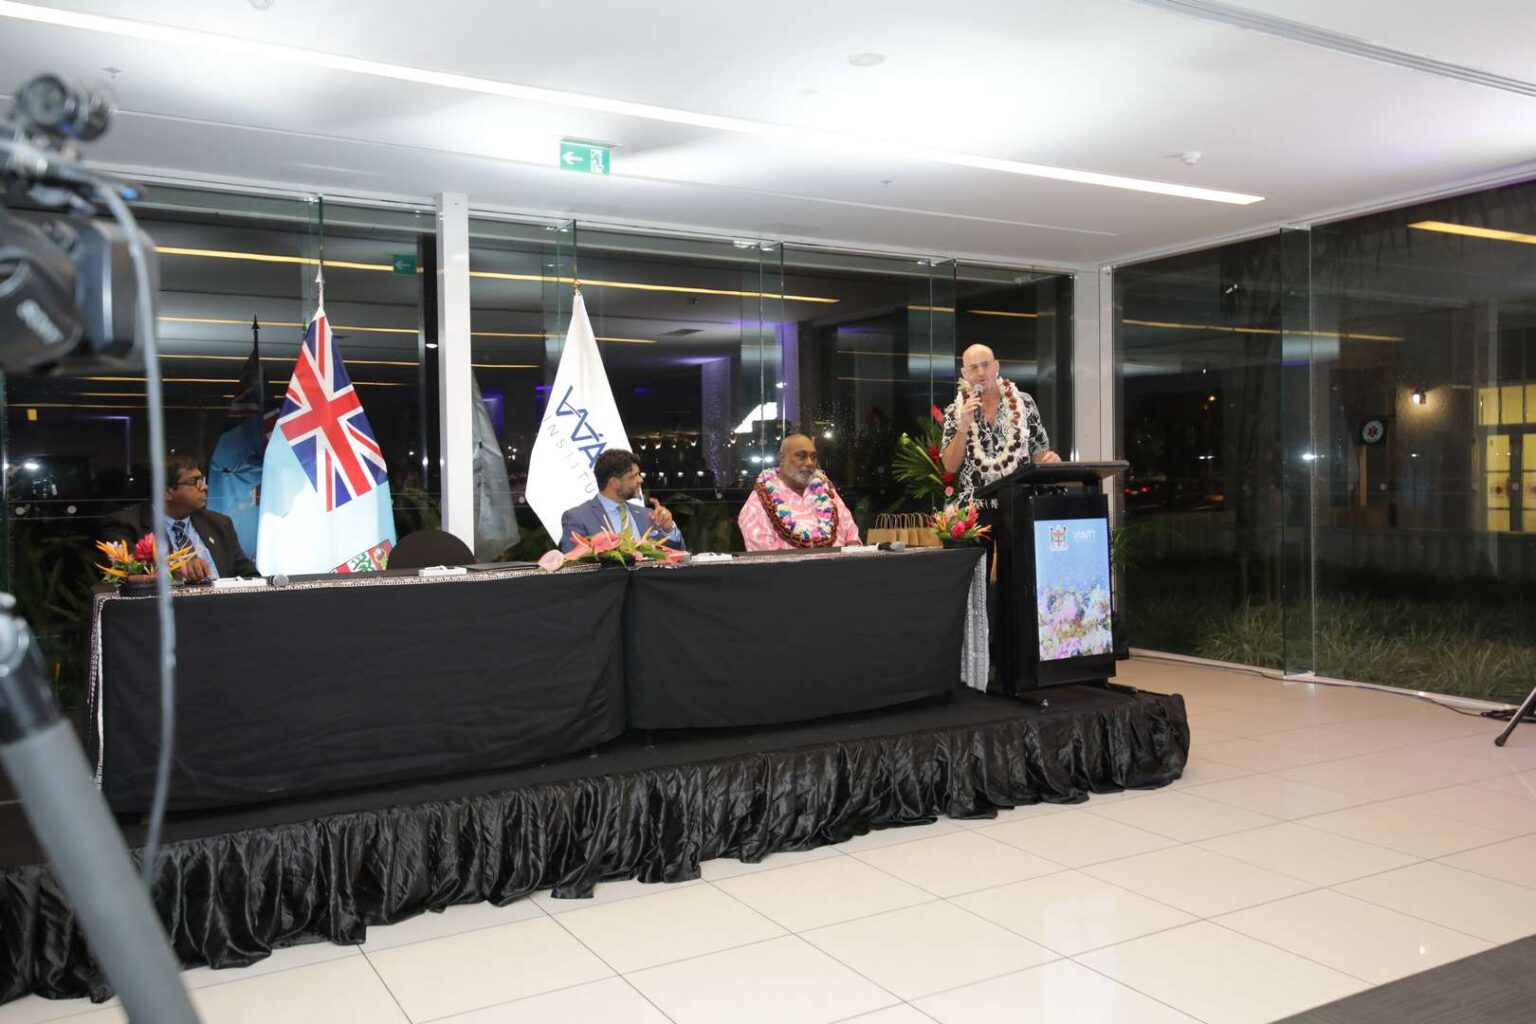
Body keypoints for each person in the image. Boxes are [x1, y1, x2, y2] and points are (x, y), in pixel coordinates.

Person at [102, 454, 258, 580]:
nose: (204, 487)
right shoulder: (125, 525)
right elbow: (132, 578)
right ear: (166, 492)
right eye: (195, 482)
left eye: (203, 480)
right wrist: (181, 570)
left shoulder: (219, 523)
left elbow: (249, 575)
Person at [940, 344, 1060, 501]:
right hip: (975, 507)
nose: (981, 372)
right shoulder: (955, 411)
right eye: (973, 367)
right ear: (965, 373)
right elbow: (950, 466)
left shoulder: (1024, 402)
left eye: (985, 365)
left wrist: (1049, 461)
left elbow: (1040, 453)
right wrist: (963, 427)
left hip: (1019, 502)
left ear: (996, 366)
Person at [738, 433, 861, 550]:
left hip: (843, 565)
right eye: (801, 456)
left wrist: (852, 553)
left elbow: (852, 534)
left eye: (813, 457)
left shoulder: (826, 491)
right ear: (781, 458)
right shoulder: (758, 503)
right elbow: (767, 559)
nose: (809, 463)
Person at [558, 448, 685, 553]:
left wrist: (668, 529)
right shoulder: (579, 518)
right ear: (614, 483)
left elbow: (677, 554)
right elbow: (573, 565)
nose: (640, 480)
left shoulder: (647, 515)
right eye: (634, 476)